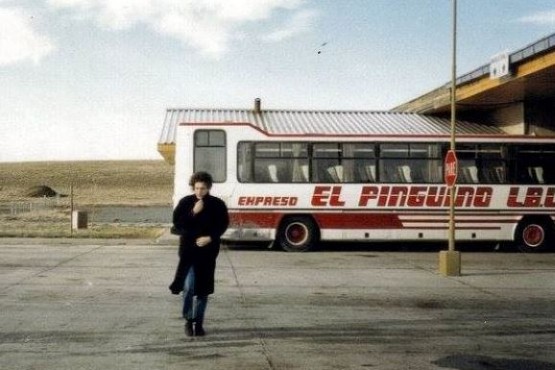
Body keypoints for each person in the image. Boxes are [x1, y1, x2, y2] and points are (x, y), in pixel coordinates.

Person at [169, 172, 229, 337]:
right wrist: (193, 213)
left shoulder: (217, 204)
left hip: (207, 254)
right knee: (188, 287)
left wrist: (210, 238)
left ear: (208, 187)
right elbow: (178, 224)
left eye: (203, 188)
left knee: (203, 291)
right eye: (196, 188)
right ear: (193, 187)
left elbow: (223, 225)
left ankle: (199, 323)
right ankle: (189, 320)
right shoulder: (186, 202)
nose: (199, 191)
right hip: (188, 253)